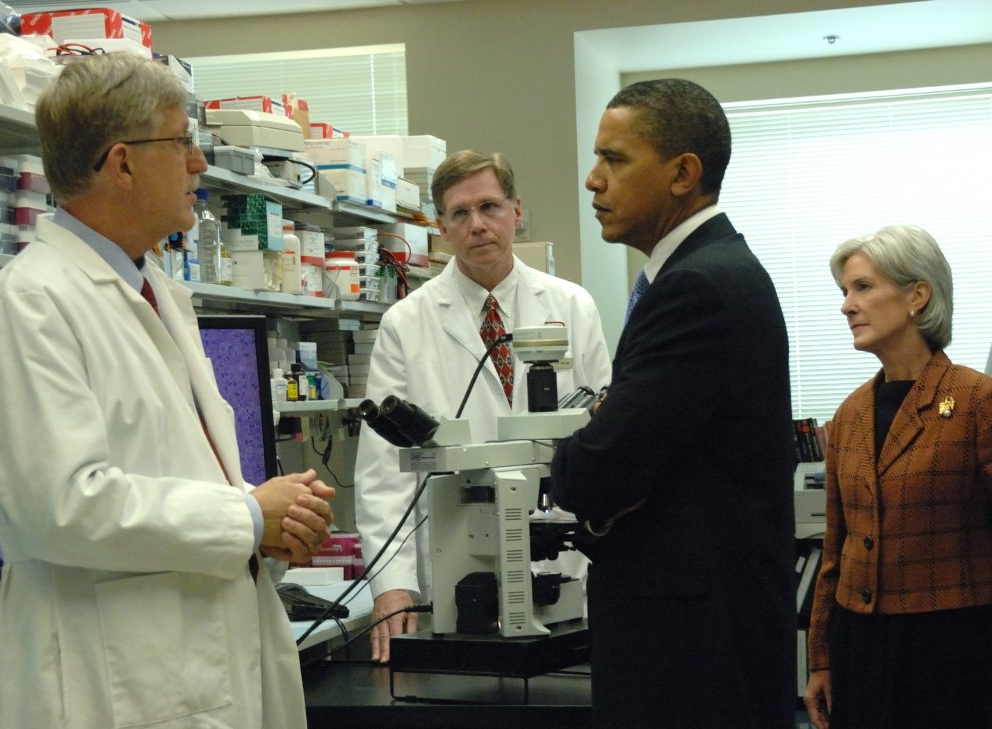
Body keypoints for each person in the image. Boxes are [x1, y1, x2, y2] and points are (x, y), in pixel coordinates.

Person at [0, 53, 335, 729]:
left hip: (198, 673)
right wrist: (250, 516)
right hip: (108, 691)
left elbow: (177, 475)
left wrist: (270, 532)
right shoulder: (29, 304)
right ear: (124, 163)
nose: (199, 163)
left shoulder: (160, 294)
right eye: (183, 141)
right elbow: (63, 504)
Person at [548, 79, 796, 728]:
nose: (592, 180)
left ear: (684, 172)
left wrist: (581, 461)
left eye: (615, 159)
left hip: (692, 659)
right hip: (703, 641)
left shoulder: (697, 287)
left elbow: (595, 470)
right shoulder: (703, 273)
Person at [355, 149, 612, 662]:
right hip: (453, 567)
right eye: (459, 213)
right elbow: (384, 471)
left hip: (561, 563)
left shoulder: (571, 306)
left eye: (490, 207)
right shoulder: (406, 324)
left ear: (517, 211)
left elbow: (606, 437)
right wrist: (392, 583)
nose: (477, 225)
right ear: (441, 227)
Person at [804, 225, 992, 729]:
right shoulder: (850, 414)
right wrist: (820, 657)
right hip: (859, 647)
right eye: (844, 291)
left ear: (917, 295)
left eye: (863, 287)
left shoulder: (977, 401)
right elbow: (836, 550)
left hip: (952, 650)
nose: (847, 305)